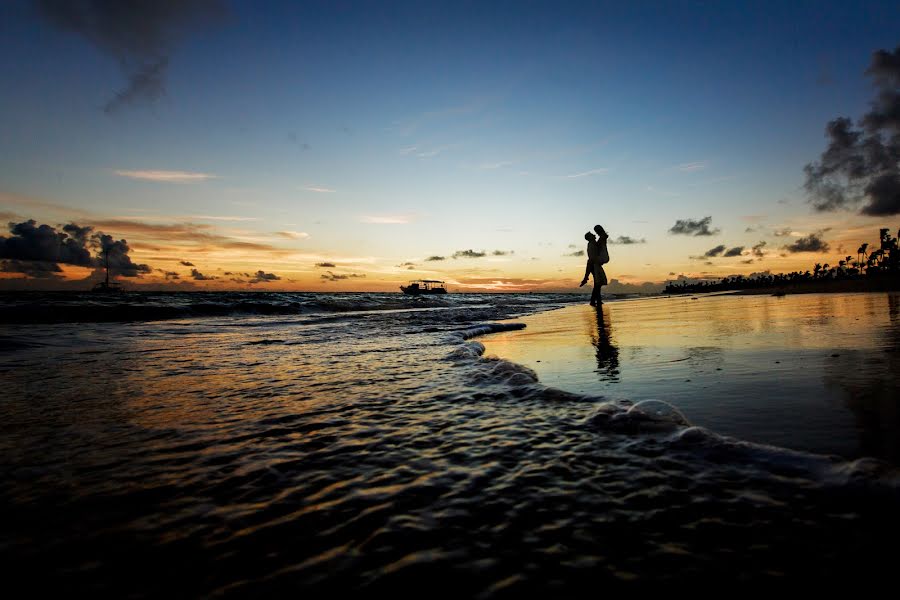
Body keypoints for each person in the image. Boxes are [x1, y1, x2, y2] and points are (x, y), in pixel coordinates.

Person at [579, 225, 610, 306]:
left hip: (595, 264)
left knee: (598, 284)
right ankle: (593, 301)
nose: (594, 234)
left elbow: (602, 240)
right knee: (597, 283)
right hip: (594, 264)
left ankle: (597, 300)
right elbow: (592, 258)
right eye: (592, 234)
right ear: (589, 237)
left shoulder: (593, 243)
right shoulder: (592, 244)